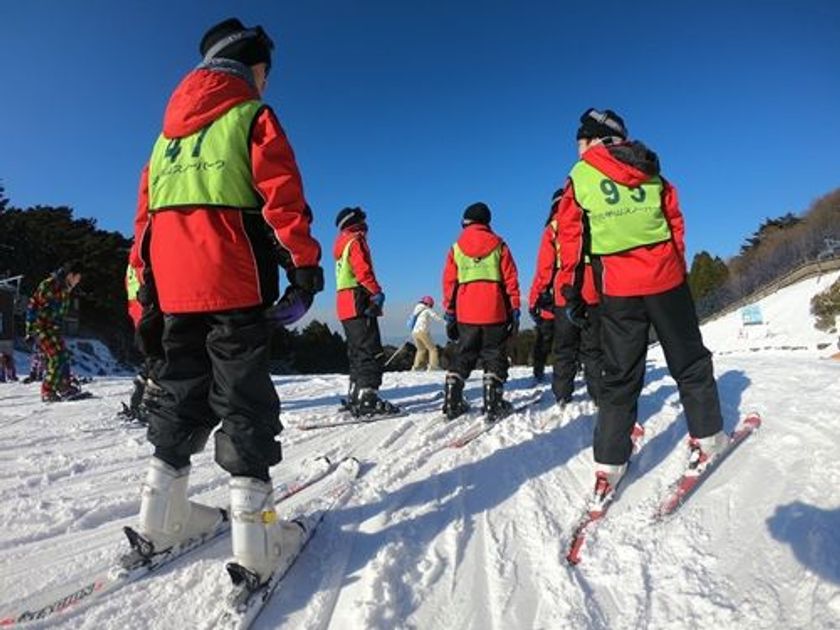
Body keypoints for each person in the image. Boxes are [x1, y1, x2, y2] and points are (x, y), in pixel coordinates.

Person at [126, 18, 324, 589]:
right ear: (251, 65)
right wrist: (304, 269)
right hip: (233, 282)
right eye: (266, 71)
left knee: (181, 392)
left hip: (173, 290)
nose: (267, 82)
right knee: (242, 397)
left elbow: (143, 228)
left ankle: (160, 518)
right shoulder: (251, 116)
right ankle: (257, 541)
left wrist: (145, 298)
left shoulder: (164, 141)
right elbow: (281, 197)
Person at [553, 108, 727, 507]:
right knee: (689, 360)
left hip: (617, 285)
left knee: (619, 374)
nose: (578, 147)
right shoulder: (651, 168)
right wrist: (676, 266)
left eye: (581, 139)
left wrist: (572, 288)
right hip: (665, 277)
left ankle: (610, 463)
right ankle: (709, 436)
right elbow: (674, 221)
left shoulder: (579, 177)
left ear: (594, 138)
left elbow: (572, 238)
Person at [441, 202, 521, 421]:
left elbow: (449, 282)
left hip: (466, 311)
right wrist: (514, 307)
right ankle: (493, 403)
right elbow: (511, 278)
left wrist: (450, 310)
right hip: (495, 309)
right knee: (494, 353)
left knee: (464, 353)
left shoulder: (456, 247)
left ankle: (452, 399)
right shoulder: (499, 245)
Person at [530, 192, 604, 406]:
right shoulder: (590, 223)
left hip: (564, 292)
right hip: (593, 291)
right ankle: (598, 392)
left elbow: (544, 268)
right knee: (594, 347)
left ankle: (562, 393)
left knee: (564, 347)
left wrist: (537, 296)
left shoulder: (552, 228)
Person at [333, 206, 400, 416]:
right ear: (356, 224)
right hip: (358, 300)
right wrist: (376, 292)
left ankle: (356, 393)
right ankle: (368, 398)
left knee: (356, 350)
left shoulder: (340, 245)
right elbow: (362, 272)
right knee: (370, 350)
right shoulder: (355, 241)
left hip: (343, 303)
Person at [24, 263, 84, 402]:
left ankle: (64, 386)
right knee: (56, 357)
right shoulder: (50, 285)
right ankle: (47, 391)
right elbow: (33, 305)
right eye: (77, 278)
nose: (78, 282)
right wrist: (29, 330)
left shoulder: (65, 289)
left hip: (53, 328)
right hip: (41, 327)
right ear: (70, 275)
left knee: (64, 356)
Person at [409, 296, 443, 370]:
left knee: (421, 349)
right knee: (433, 349)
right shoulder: (427, 310)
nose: (431, 307)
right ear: (429, 304)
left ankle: (417, 366)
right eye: (431, 305)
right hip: (422, 331)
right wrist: (446, 321)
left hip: (414, 332)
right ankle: (433, 366)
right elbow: (437, 317)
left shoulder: (416, 309)